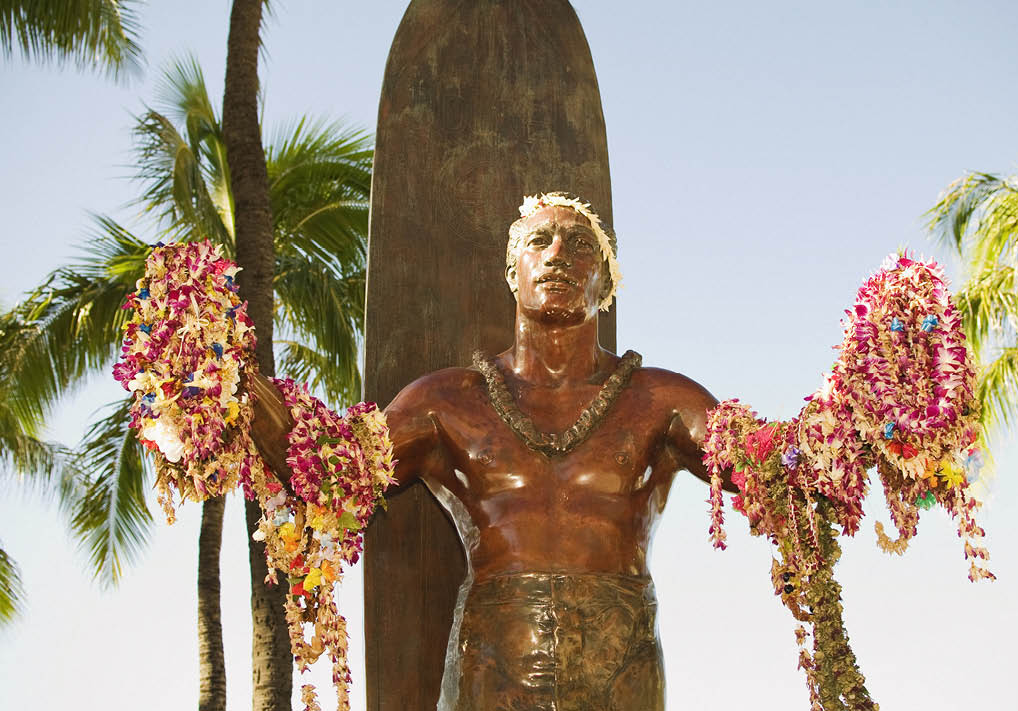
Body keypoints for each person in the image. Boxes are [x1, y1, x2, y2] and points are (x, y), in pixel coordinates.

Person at [250, 192, 725, 711]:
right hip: (492, 665)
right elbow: (331, 474)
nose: (558, 253)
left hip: (621, 664)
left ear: (606, 283)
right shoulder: (447, 401)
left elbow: (764, 465)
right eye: (539, 241)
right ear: (511, 272)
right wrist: (230, 382)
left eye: (581, 244)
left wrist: (827, 436)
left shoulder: (660, 400)